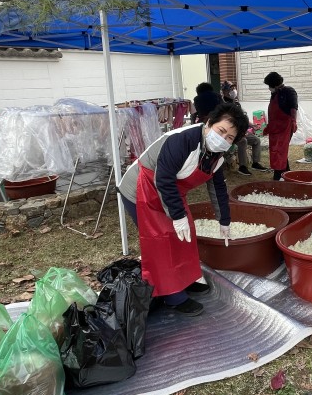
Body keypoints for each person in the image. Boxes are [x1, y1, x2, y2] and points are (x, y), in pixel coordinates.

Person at [117, 103, 250, 316]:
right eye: (221, 131)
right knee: (161, 241)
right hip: (142, 189)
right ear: (209, 123)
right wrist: (177, 216)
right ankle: (173, 296)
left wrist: (224, 220)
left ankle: (185, 279)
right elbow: (164, 178)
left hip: (170, 192)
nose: (223, 139)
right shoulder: (182, 140)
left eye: (229, 138)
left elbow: (217, 188)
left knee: (185, 236)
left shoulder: (216, 155)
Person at [220, 81, 270, 176]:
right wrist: (240, 132)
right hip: (230, 133)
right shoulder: (223, 105)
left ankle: (255, 163)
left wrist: (252, 125)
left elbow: (242, 117)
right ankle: (242, 167)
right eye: (230, 89)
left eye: (233, 88)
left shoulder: (236, 103)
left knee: (256, 140)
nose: (233, 91)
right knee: (243, 141)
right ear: (224, 91)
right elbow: (227, 121)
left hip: (241, 131)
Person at [262, 72, 298, 181]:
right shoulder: (274, 93)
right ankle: (286, 173)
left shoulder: (289, 91)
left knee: (279, 151)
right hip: (274, 127)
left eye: (269, 85)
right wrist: (268, 127)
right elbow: (273, 112)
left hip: (284, 126)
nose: (269, 88)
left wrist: (294, 121)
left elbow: (293, 108)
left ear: (274, 84)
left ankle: (278, 176)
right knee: (276, 151)